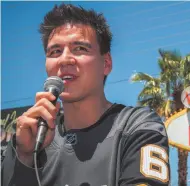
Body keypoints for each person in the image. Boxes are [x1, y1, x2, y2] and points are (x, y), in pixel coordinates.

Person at [2, 3, 170, 186]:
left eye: (80, 48)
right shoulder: (29, 137)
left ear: (106, 63)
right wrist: (24, 156)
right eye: (55, 51)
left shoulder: (137, 125)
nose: (65, 59)